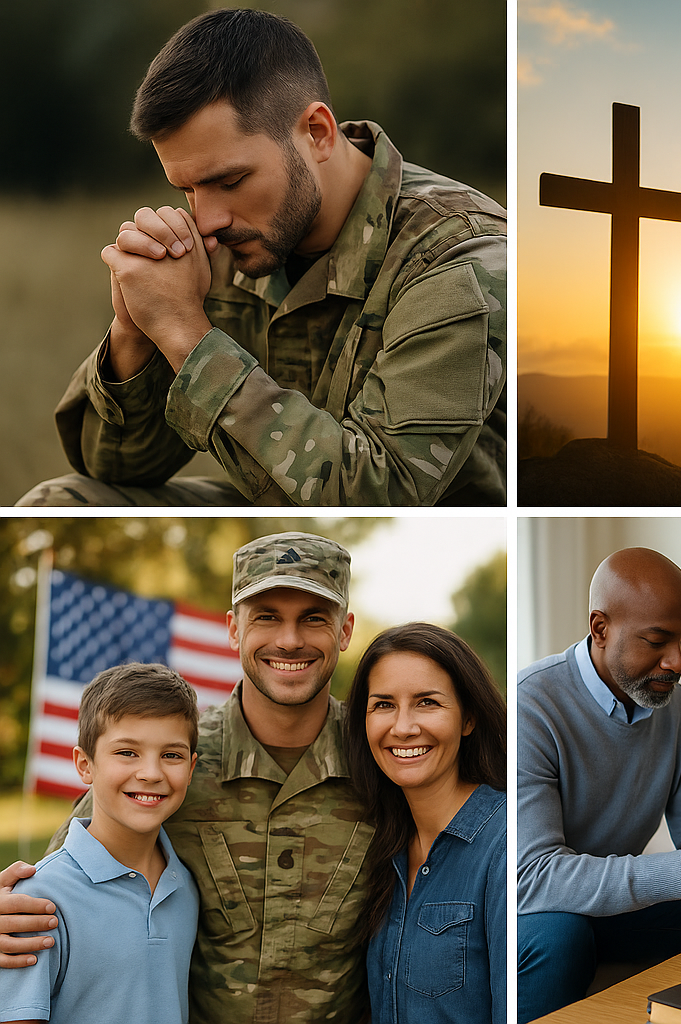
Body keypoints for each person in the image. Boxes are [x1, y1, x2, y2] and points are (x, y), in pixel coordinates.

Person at [17, 8, 506, 508]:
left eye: (229, 182)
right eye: (186, 189)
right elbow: (111, 469)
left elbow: (380, 495)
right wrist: (135, 333)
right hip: (276, 507)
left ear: (317, 132)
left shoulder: (460, 258)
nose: (206, 220)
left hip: (416, 522)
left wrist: (188, 336)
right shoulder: (224, 243)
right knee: (65, 502)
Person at [0, 532, 372, 1024]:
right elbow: (56, 892)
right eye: (266, 616)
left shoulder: (379, 764)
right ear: (234, 629)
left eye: (313, 618)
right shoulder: (174, 766)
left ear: (344, 631)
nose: (289, 639)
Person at [516, 547, 681, 1023]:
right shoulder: (530, 706)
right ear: (600, 628)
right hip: (530, 909)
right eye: (657, 641)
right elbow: (533, 877)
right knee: (562, 935)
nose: (677, 661)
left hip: (607, 910)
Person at [1, 663, 199, 1024]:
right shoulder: (37, 898)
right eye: (127, 752)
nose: (151, 773)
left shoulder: (186, 885)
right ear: (84, 764)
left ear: (191, 767)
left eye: (171, 754)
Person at [344, 622, 506, 1024]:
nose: (402, 727)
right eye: (383, 704)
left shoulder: (503, 844)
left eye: (427, 702)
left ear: (468, 719)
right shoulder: (382, 847)